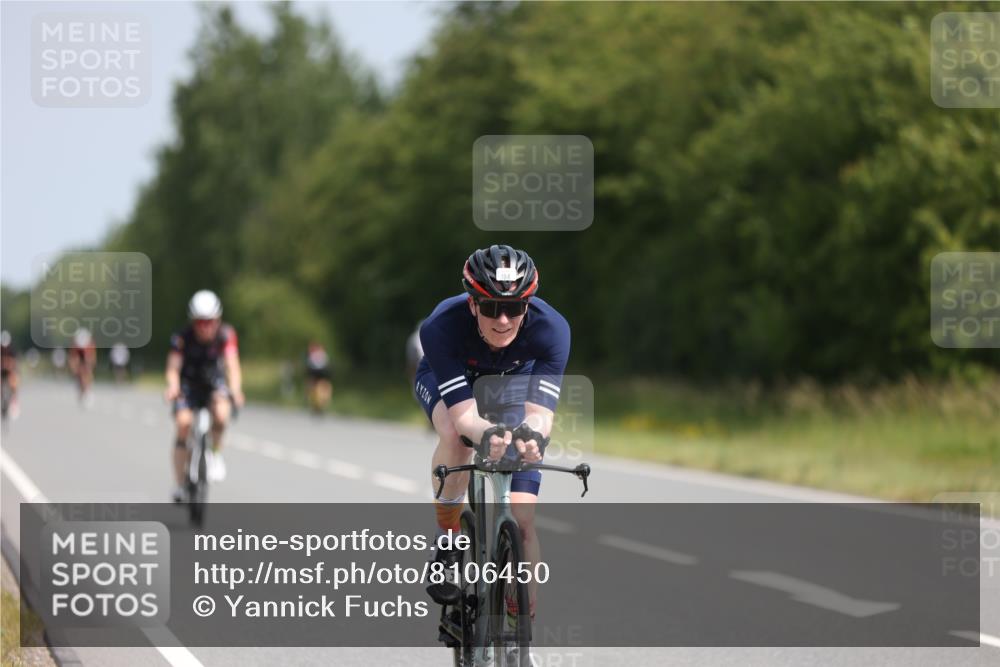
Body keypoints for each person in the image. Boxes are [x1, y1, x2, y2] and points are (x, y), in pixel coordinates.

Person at [414, 245, 570, 616]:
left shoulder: (553, 330)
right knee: (456, 436)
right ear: (472, 304)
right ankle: (448, 539)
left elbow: (540, 416)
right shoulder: (440, 327)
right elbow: (467, 419)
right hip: (453, 380)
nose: (503, 320)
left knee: (523, 517)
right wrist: (486, 434)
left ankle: (521, 633)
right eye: (490, 308)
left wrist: (532, 437)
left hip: (514, 382)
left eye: (515, 308)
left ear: (528, 306)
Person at [164, 290, 245, 502]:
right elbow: (173, 368)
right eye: (200, 322)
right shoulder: (181, 338)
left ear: (217, 320)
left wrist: (235, 390)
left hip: (213, 382)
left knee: (221, 414)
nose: (205, 327)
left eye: (210, 321)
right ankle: (180, 484)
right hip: (188, 384)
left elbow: (232, 367)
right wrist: (172, 386)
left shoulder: (226, 335)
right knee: (183, 424)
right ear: (193, 321)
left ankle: (215, 454)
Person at [67, 328, 97, 406]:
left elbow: (92, 358)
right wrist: (74, 369)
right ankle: (79, 386)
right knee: (78, 371)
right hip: (77, 357)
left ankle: (88, 389)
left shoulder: (90, 345)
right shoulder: (75, 346)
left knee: (87, 371)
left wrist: (89, 369)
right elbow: (72, 358)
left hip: (87, 357)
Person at [304, 341, 332, 414]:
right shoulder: (323, 354)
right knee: (317, 387)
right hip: (322, 374)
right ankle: (318, 402)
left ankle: (313, 401)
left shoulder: (314, 355)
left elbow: (309, 369)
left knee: (311, 386)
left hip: (318, 374)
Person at [1, 331, 19, 421]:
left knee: (13, 381)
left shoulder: (12, 349)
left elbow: (14, 362)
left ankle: (14, 400)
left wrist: (8, 365)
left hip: (10, 371)